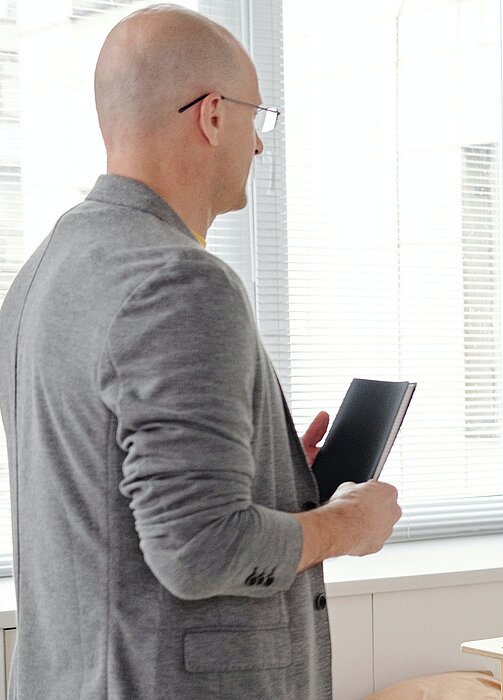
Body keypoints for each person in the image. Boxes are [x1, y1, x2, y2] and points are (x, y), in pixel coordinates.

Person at [0, 6, 401, 697]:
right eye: (257, 119)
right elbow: (199, 549)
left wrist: (272, 478)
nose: (259, 146)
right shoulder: (180, 281)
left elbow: (114, 499)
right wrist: (346, 525)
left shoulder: (43, 271)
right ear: (213, 116)